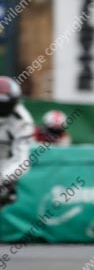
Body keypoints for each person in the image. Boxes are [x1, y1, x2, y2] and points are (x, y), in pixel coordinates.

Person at [0, 76, 34, 206]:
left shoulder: (22, 121)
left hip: (4, 165)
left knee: (5, 194)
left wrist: (4, 178)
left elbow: (22, 159)